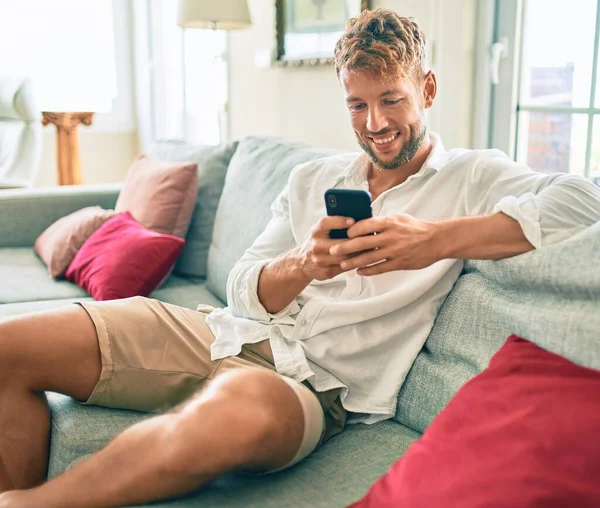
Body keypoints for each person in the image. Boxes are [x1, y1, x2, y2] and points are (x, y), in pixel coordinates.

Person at [1, 8, 600, 508]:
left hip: (311, 386)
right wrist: (304, 264)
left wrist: (434, 239)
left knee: (234, 416)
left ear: (429, 89)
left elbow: (583, 200)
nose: (376, 124)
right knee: (8, 348)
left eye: (392, 100)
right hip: (220, 333)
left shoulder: (474, 177)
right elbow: (241, 285)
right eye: (357, 106)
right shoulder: (313, 178)